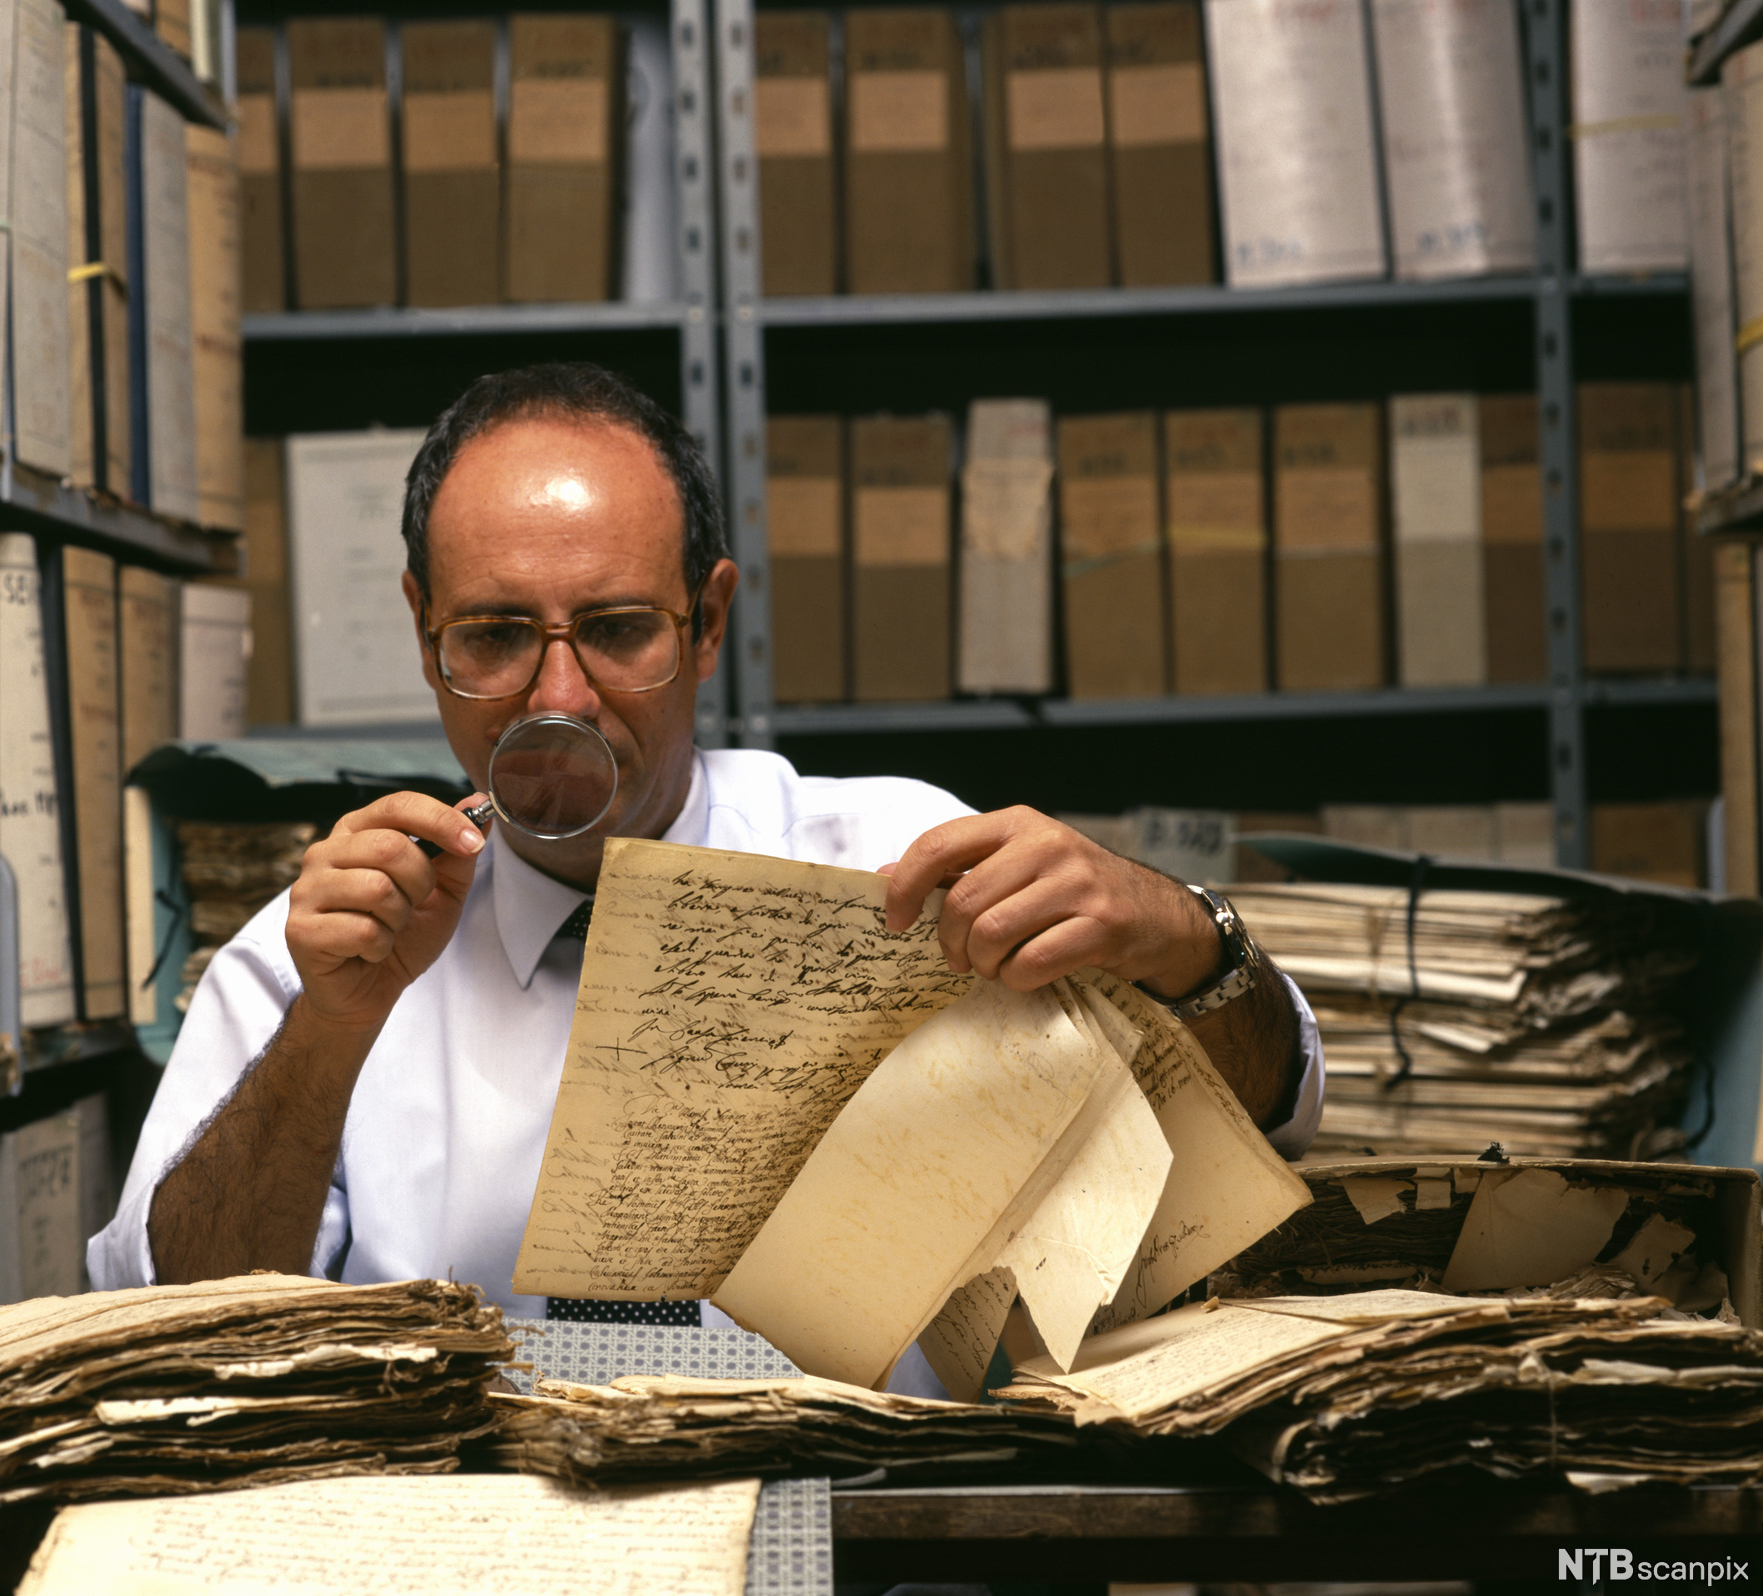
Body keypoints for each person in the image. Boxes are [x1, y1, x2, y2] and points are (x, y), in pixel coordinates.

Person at [90, 364, 1323, 1385]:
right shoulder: (325, 954)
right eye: (496, 636)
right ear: (425, 631)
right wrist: (329, 1032)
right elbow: (171, 1328)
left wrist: (1188, 941)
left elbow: (1268, 1128)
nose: (557, 698)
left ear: (709, 621)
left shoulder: (909, 862)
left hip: (885, 1550)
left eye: (618, 631)